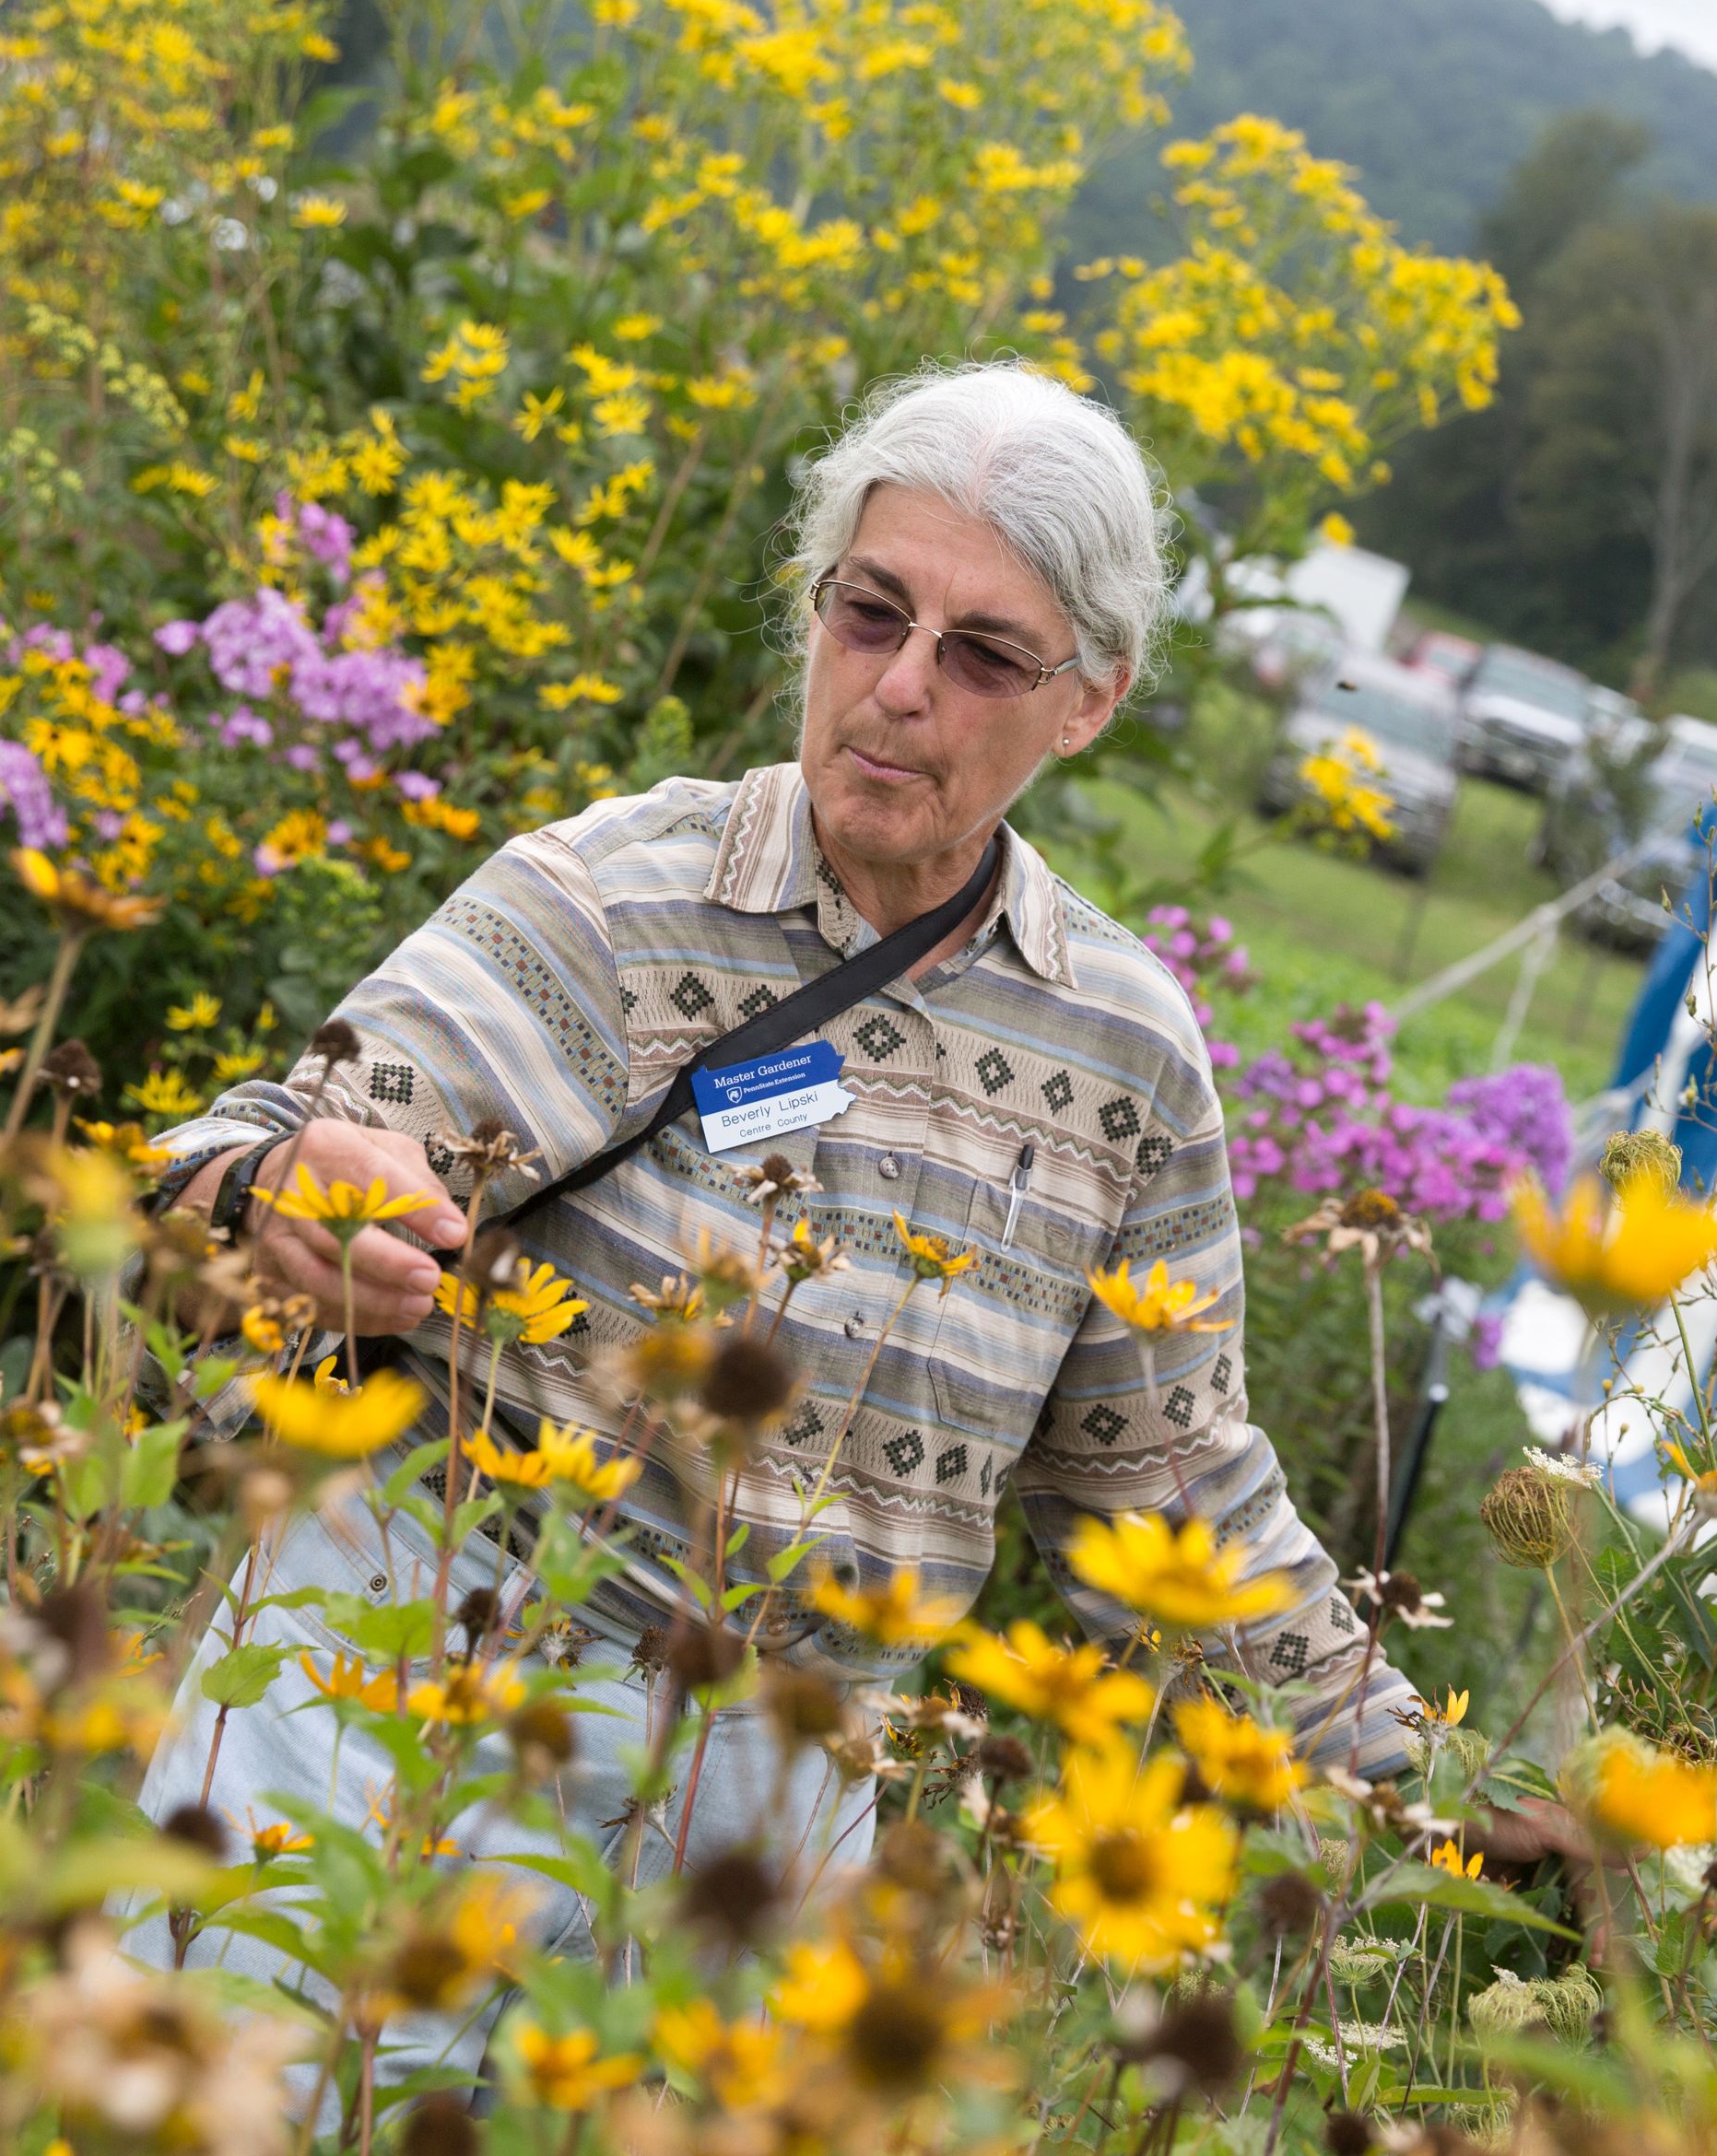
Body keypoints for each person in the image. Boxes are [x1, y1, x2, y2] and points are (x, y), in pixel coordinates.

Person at [132, 361, 1416, 2058]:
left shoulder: (1127, 1051)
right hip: (413, 1691)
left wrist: (1405, 1782)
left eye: (982, 656)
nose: (898, 689)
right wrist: (287, 1198)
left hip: (778, 1804)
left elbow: (1162, 1492)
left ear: (1088, 701)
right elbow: (239, 1156)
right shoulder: (611, 899)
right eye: (868, 613)